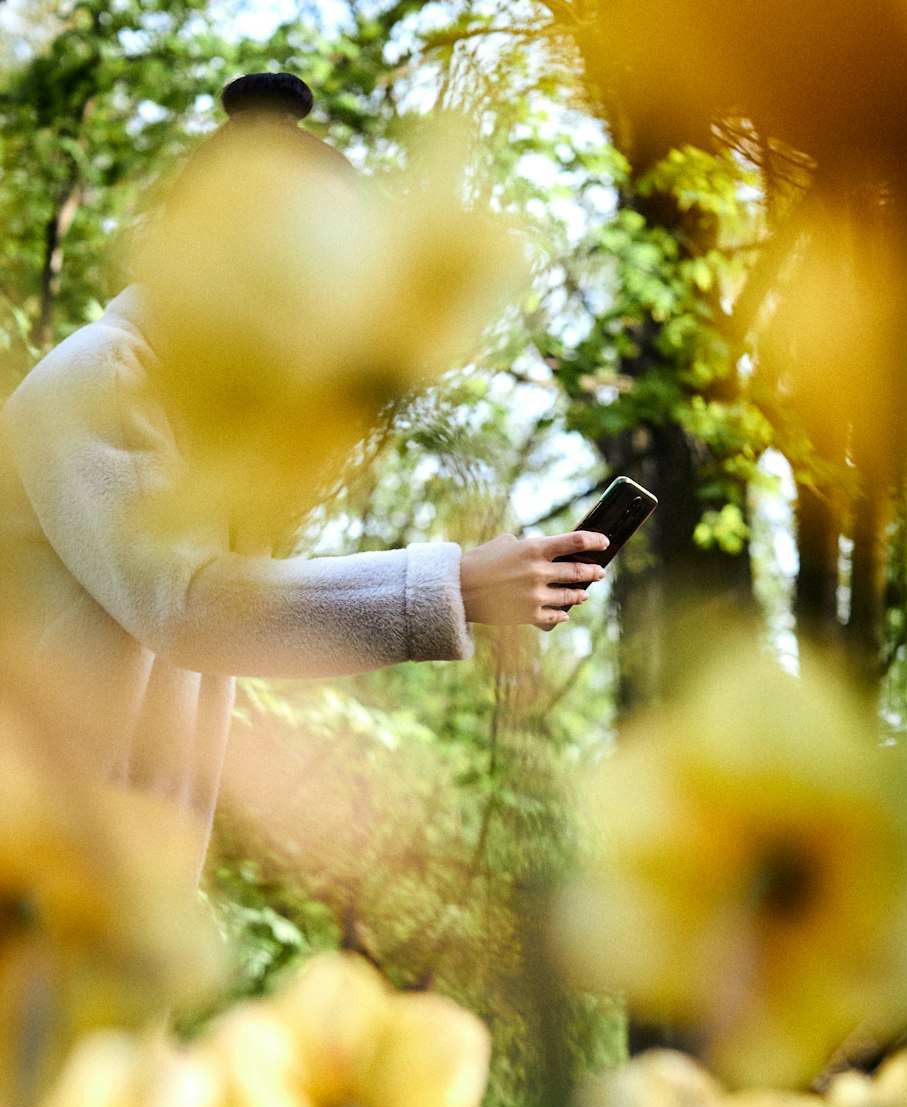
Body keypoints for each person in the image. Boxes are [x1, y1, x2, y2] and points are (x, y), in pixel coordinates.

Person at [0, 73, 607, 876]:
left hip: (111, 907)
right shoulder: (105, 373)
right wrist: (455, 587)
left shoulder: (213, 430)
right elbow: (187, 609)